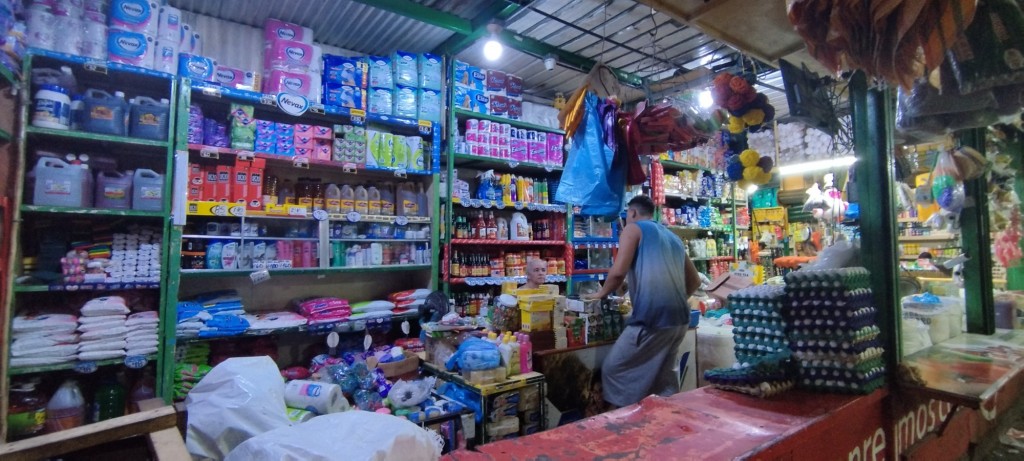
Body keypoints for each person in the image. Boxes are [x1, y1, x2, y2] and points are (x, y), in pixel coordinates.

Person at [587, 195, 701, 408]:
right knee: (662, 379)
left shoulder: (633, 229)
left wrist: (599, 294)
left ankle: (621, 425)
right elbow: (694, 281)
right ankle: (663, 425)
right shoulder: (673, 237)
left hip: (652, 320)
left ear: (632, 213)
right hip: (680, 320)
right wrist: (670, 297)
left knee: (613, 370)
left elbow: (618, 271)